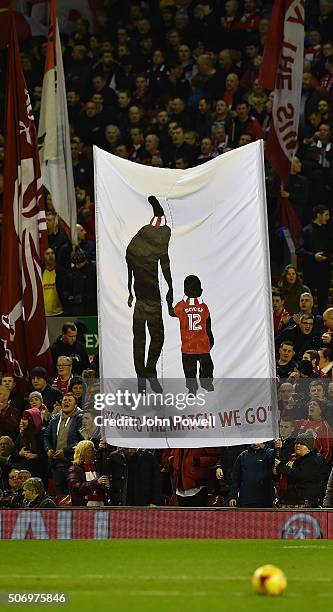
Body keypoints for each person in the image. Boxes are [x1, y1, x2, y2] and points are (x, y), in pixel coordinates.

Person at [126, 196, 173, 392]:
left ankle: (145, 374)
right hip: (149, 300)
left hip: (142, 299)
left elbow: (129, 267)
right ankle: (146, 374)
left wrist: (129, 292)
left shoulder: (135, 246)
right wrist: (170, 294)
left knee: (144, 338)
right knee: (151, 337)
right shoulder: (158, 244)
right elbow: (166, 269)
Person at [171, 275, 214, 393]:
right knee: (208, 367)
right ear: (200, 290)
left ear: (185, 290)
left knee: (189, 370)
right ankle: (206, 383)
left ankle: (192, 389)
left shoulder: (181, 305)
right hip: (203, 345)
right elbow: (208, 325)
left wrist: (169, 300)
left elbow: (172, 313)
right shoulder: (203, 307)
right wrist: (211, 339)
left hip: (188, 347)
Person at [296, 205, 333, 313]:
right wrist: (313, 256)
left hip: (324, 272)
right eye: (326, 214)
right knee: (308, 301)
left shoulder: (326, 232)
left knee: (323, 301)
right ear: (318, 215)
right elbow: (299, 250)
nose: (328, 217)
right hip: (310, 272)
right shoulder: (307, 231)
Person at [43, 392, 83, 494]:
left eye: (70, 400)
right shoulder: (55, 419)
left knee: (75, 496)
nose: (66, 402)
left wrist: (65, 451)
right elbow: (46, 436)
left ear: (76, 405)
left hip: (74, 465)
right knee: (60, 498)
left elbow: (83, 441)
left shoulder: (82, 419)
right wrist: (48, 449)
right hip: (57, 466)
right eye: (64, 400)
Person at [275, 430, 322, 508]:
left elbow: (299, 474)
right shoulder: (295, 459)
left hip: (304, 502)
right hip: (293, 500)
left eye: (302, 444)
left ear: (309, 447)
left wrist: (281, 467)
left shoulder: (313, 460)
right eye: (296, 443)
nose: (298, 445)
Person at [227, 443, 275, 508]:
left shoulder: (270, 453)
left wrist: (278, 448)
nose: (255, 443)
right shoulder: (242, 456)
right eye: (253, 440)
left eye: (258, 440)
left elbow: (277, 459)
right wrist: (232, 496)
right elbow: (235, 478)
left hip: (265, 499)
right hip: (246, 499)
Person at [67, 440, 109, 506]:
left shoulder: (97, 466)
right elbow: (75, 488)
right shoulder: (75, 469)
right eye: (91, 449)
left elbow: (100, 486)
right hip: (83, 508)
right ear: (83, 452)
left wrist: (106, 484)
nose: (95, 451)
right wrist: (96, 483)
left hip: (101, 505)